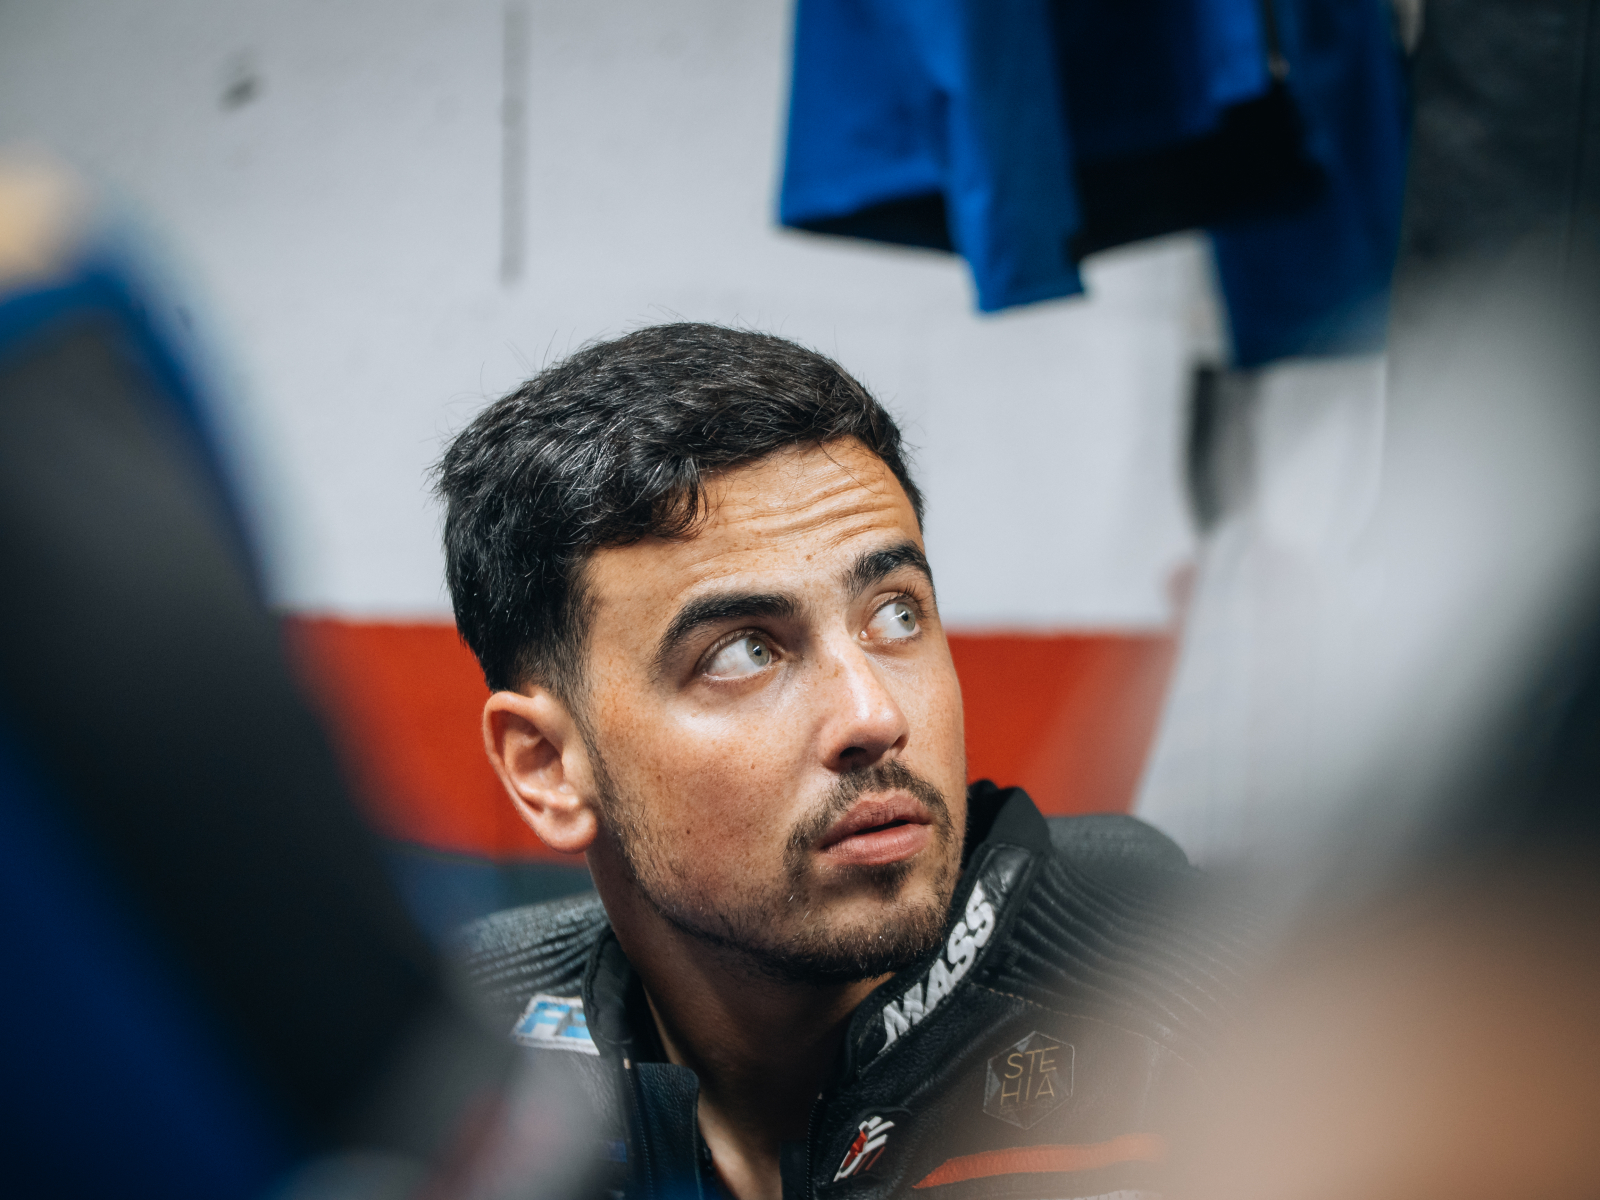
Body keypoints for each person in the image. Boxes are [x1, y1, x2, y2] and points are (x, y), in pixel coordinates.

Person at [440, 324, 1248, 1200]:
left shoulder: (1218, 1004)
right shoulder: (457, 1063)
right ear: (549, 767)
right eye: (744, 652)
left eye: (896, 614)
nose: (875, 716)